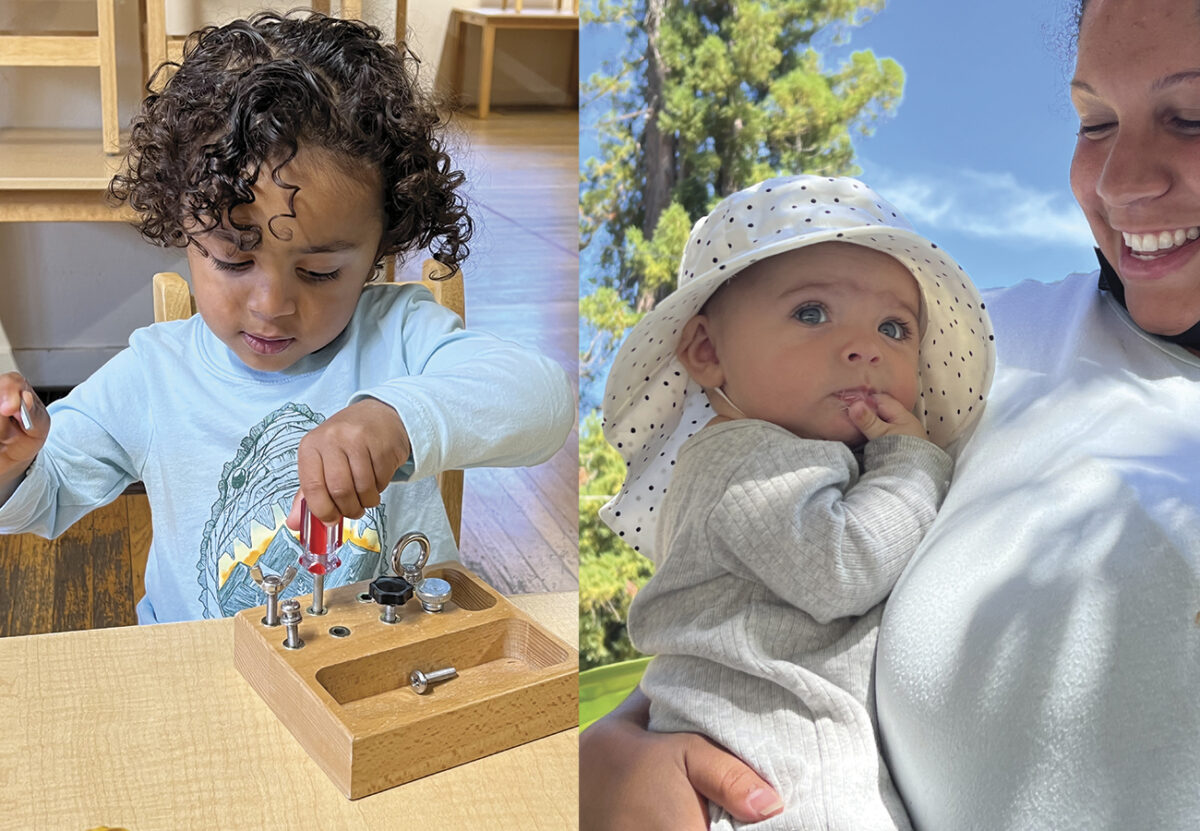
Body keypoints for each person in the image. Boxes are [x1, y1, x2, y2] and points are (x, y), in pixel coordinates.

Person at [580, 0, 1200, 828]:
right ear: (704, 350)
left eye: (1191, 115)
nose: (1124, 180)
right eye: (1094, 121)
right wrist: (604, 764)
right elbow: (717, 647)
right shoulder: (975, 355)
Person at [0, 12, 574, 624]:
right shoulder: (154, 374)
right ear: (182, 229)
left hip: (390, 675)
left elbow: (545, 404)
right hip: (206, 677)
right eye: (230, 259)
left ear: (383, 248)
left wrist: (397, 419)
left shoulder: (402, 334)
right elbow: (49, 490)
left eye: (321, 271)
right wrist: (13, 464)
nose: (271, 305)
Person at [600, 174, 994, 830]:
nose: (864, 345)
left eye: (895, 326)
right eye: (812, 312)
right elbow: (842, 565)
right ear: (706, 352)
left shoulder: (788, 456)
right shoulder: (741, 460)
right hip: (778, 781)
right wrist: (915, 463)